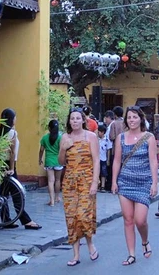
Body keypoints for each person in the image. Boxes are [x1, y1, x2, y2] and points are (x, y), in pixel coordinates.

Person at [111, 106, 158, 266]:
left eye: (135, 117)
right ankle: (131, 254)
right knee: (128, 219)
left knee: (140, 220)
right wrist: (114, 181)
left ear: (141, 119)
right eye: (129, 117)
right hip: (125, 182)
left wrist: (154, 182)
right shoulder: (121, 138)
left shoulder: (149, 137)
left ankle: (145, 241)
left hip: (144, 183)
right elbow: (116, 160)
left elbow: (153, 161)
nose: (132, 120)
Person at [58, 108, 100, 267]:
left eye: (77, 118)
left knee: (83, 215)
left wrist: (95, 182)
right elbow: (61, 162)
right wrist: (63, 148)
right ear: (69, 121)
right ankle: (75, 254)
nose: (75, 121)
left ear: (83, 120)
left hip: (87, 179)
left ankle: (90, 243)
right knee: (71, 217)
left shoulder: (91, 137)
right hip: (69, 181)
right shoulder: (65, 137)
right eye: (72, 119)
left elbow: (96, 160)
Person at [0, 108, 42, 230]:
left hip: (1, 165)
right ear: (11, 119)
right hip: (10, 165)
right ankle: (26, 220)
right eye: (15, 117)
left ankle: (6, 219)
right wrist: (12, 169)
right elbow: (12, 153)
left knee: (4, 194)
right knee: (17, 194)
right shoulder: (12, 133)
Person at [39, 120, 63, 206]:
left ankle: (52, 201)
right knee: (57, 180)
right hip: (58, 161)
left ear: (49, 128)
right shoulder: (60, 138)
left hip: (49, 161)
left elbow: (41, 150)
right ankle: (57, 197)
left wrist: (40, 159)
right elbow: (61, 150)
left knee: (50, 181)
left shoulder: (45, 138)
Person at [97, 124, 111, 192]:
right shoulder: (96, 139)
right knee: (97, 172)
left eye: (99, 132)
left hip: (103, 158)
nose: (97, 133)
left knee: (103, 172)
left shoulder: (107, 140)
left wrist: (108, 159)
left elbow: (108, 150)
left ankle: (103, 186)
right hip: (97, 158)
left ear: (102, 132)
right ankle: (97, 185)